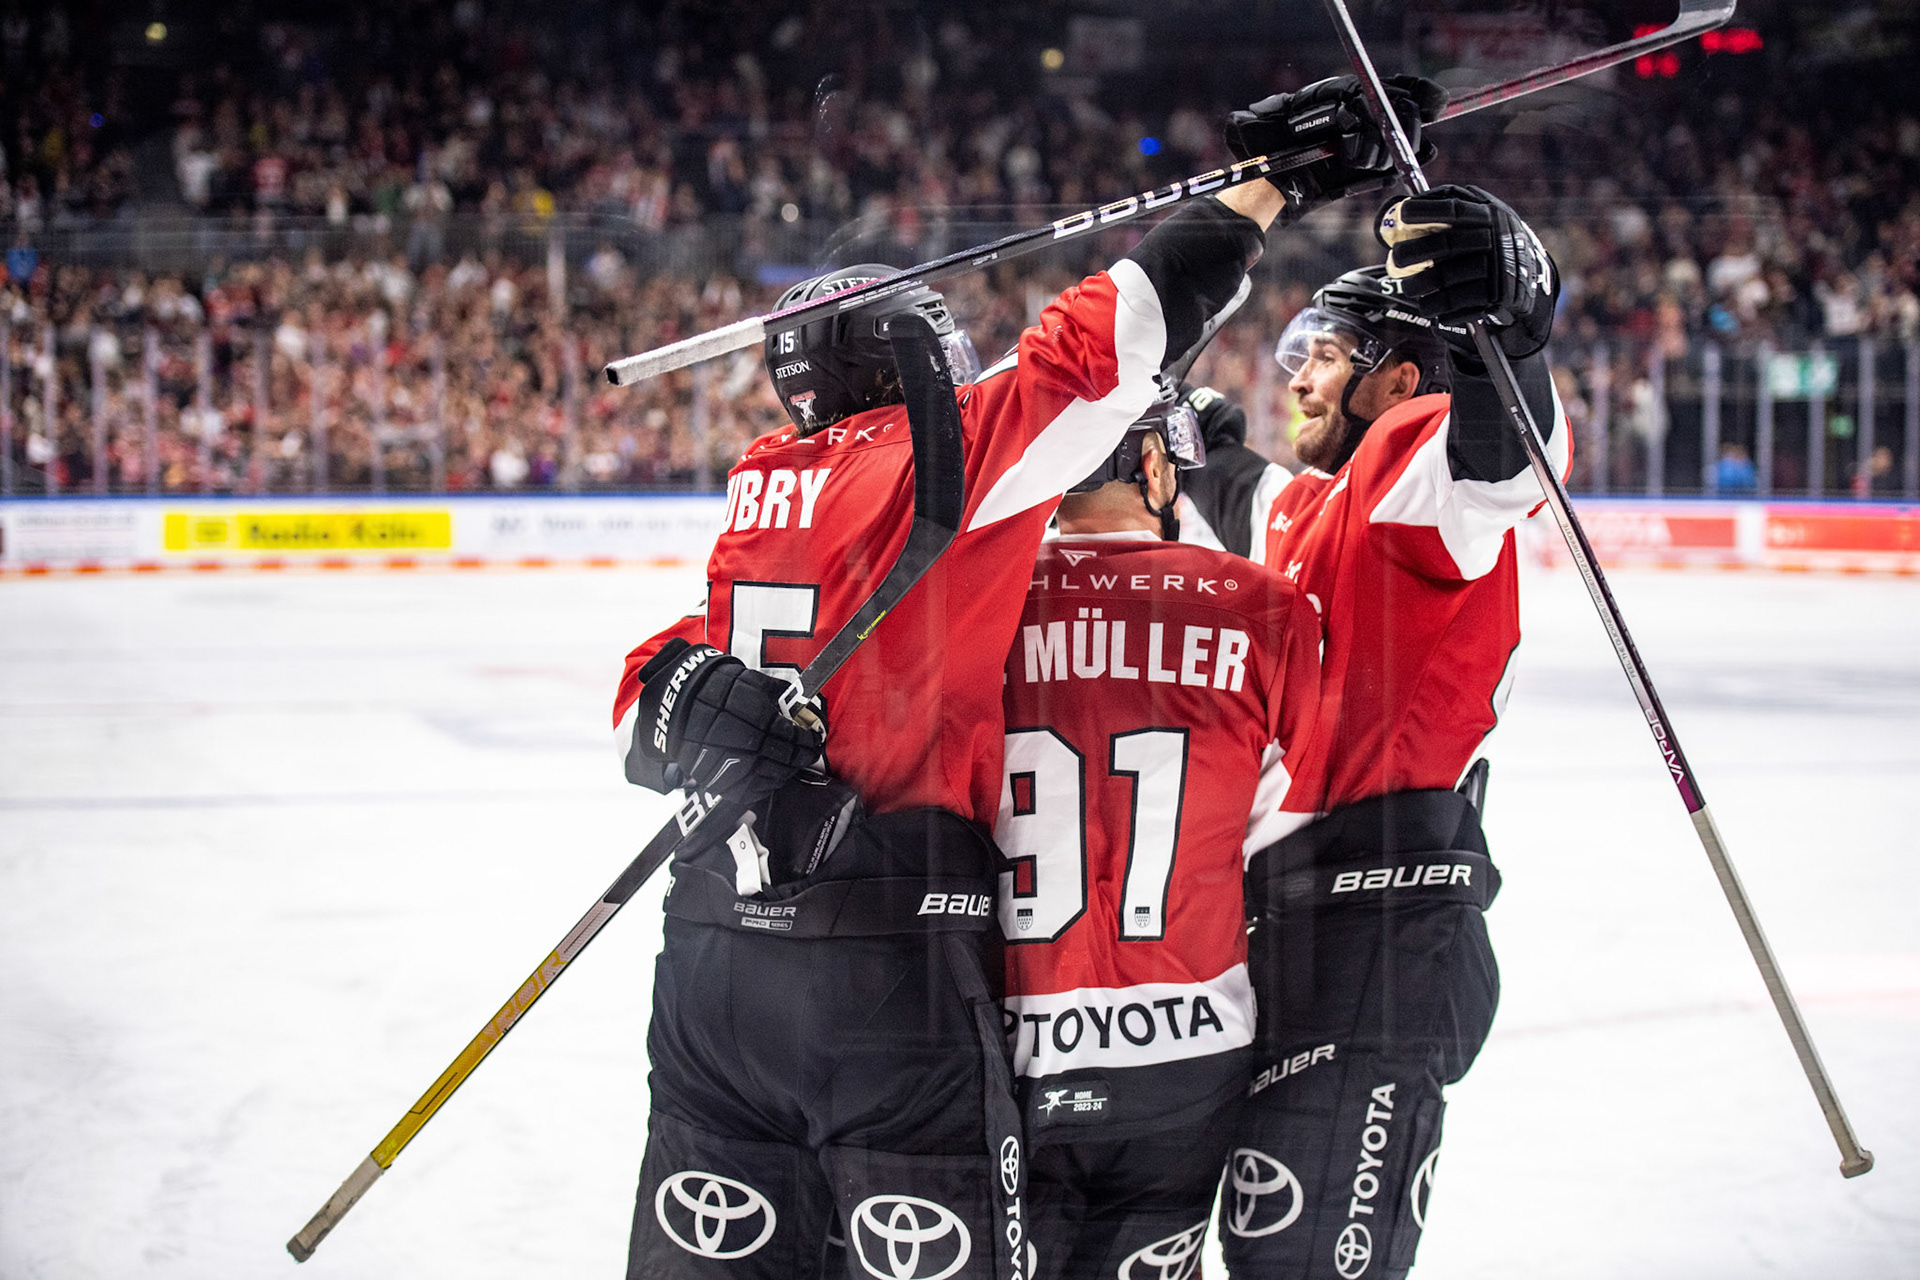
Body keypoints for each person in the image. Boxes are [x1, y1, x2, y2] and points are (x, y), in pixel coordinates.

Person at [608, 173, 1321, 1280]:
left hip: (712, 962)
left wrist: (668, 693)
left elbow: (657, 686)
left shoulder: (762, 487)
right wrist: (1264, 192)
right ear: (909, 359)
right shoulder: (932, 462)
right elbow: (1104, 346)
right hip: (891, 969)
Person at [1178, 184, 1570, 1279]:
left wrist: (1506, 334)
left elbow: (1506, 457)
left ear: (1399, 376)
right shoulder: (1319, 503)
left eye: (1325, 349)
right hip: (1286, 933)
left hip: (1378, 941)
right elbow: (1251, 495)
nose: (1294, 371)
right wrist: (1181, 439)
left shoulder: (1415, 462)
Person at [995, 394, 1322, 1280]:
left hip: (1009, 1049)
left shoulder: (977, 605)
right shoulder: (1264, 607)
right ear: (1152, 468)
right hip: (1188, 1048)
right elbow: (1292, 819)